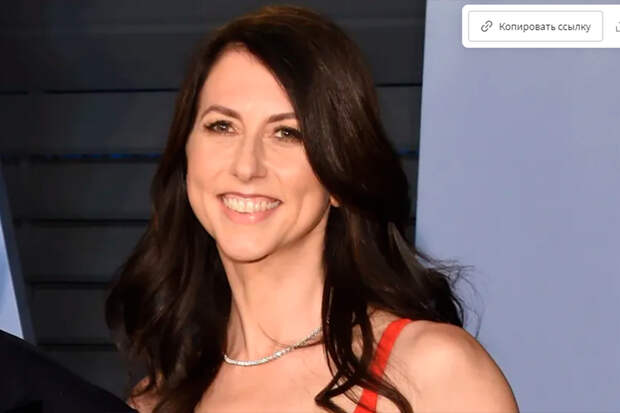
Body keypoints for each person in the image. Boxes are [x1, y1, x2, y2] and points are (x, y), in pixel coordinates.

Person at [105, 4, 519, 413]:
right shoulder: (156, 401)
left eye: (287, 133)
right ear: (186, 156)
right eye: (222, 126)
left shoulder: (433, 373)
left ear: (340, 174)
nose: (246, 166)